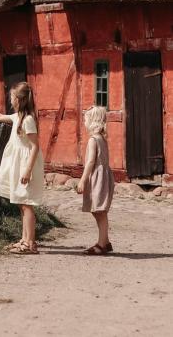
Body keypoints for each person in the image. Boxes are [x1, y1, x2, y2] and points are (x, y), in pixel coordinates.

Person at [0, 82, 44, 254]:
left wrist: (27, 170)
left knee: (26, 204)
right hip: (18, 163)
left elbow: (35, 146)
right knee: (21, 202)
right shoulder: (16, 117)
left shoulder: (27, 120)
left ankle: (30, 243)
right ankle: (25, 239)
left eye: (12, 97)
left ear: (19, 100)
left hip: (26, 164)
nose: (10, 100)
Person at [77, 106, 114, 255]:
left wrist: (83, 180)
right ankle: (104, 241)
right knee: (97, 210)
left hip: (97, 178)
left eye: (86, 119)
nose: (84, 122)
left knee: (100, 210)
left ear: (92, 121)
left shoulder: (93, 140)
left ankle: (102, 243)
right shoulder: (102, 139)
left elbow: (91, 162)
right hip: (103, 176)